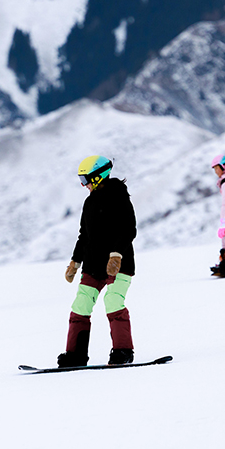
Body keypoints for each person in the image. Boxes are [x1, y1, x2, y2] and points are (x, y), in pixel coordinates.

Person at [58, 156, 138, 367]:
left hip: (119, 265)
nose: (83, 185)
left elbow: (129, 228)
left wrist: (116, 255)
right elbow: (84, 235)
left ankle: (123, 351)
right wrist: (75, 263)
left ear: (97, 177)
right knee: (80, 305)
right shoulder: (90, 202)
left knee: (113, 301)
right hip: (92, 265)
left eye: (85, 180)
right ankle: (75, 355)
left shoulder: (119, 196)